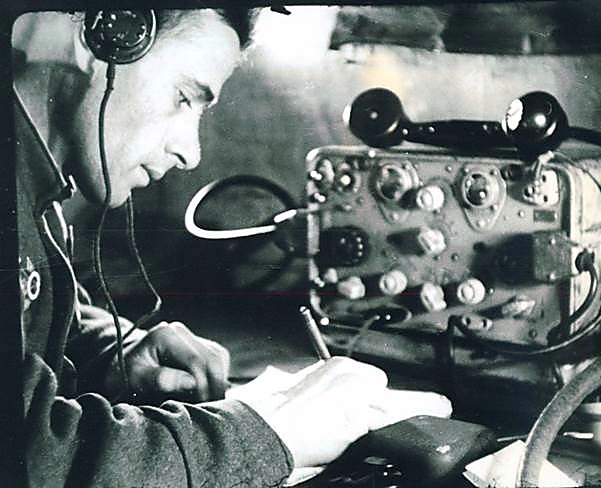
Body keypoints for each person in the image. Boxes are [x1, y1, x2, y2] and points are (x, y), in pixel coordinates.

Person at [11, 8, 450, 487]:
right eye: (183, 97)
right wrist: (268, 433)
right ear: (109, 33)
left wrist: (113, 351)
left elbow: (26, 327)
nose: (190, 152)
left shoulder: (34, 189)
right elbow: (29, 456)